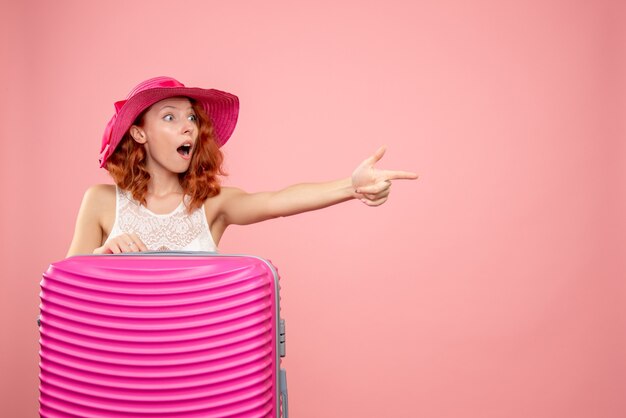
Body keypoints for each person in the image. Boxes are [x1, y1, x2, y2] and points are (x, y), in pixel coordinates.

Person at [66, 76, 418, 257]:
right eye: (170, 117)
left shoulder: (213, 204)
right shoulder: (99, 201)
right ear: (139, 133)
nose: (188, 125)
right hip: (115, 373)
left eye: (191, 116)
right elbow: (63, 296)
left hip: (197, 367)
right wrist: (100, 259)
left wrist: (352, 187)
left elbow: (277, 200)